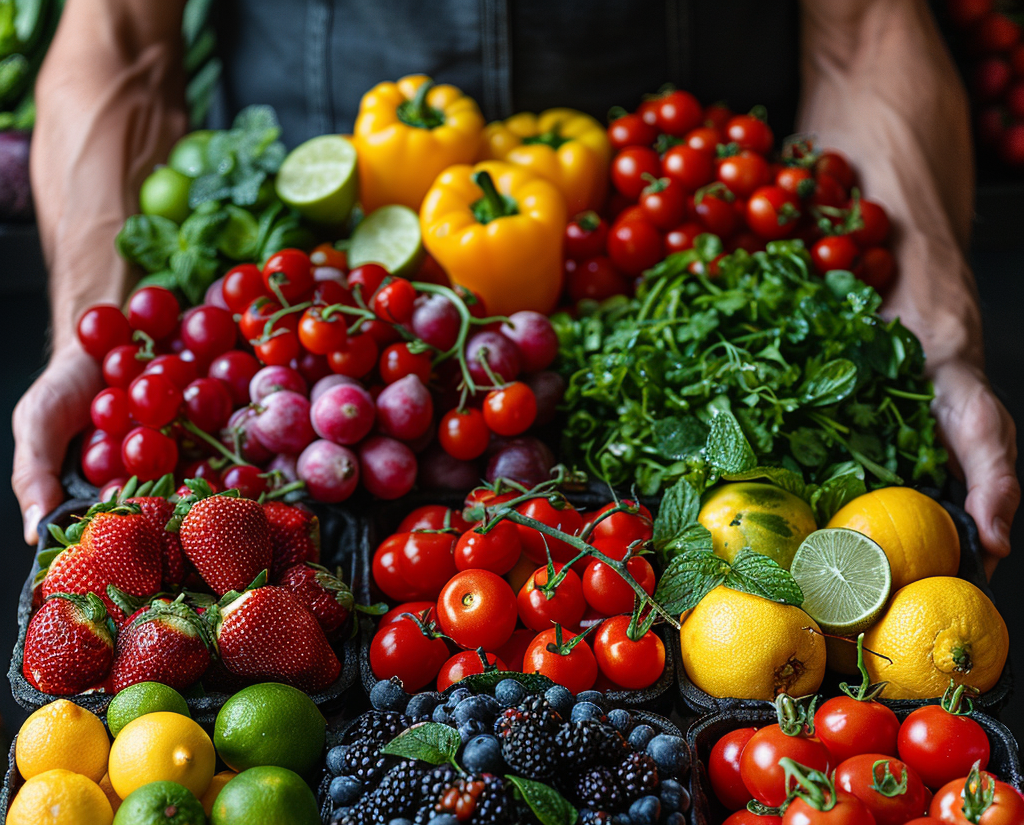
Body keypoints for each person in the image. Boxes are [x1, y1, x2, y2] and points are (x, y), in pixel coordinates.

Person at [12, 0, 1019, 576]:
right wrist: (86, 344)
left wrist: (934, 331)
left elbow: (863, 31)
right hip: (316, 317)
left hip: (673, 263)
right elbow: (120, 42)